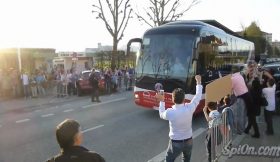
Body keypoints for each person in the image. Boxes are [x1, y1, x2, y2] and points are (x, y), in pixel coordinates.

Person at [156, 75, 202, 162]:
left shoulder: (170, 112)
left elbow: (161, 114)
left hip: (175, 143)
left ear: (173, 99)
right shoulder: (190, 108)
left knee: (169, 160)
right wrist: (198, 82)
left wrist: (162, 101)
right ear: (184, 98)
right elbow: (198, 96)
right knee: (186, 160)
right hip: (189, 141)